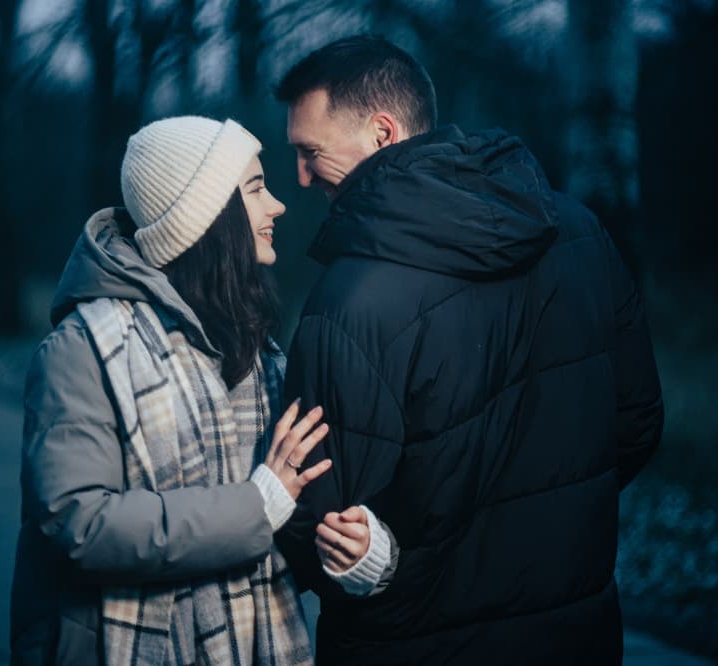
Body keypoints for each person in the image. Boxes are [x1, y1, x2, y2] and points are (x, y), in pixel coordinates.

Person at [271, 36, 665, 665]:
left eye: (309, 152)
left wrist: (403, 560)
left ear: (382, 133)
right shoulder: (581, 233)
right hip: (575, 636)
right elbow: (637, 425)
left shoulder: (349, 300)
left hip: (410, 644)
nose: (300, 176)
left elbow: (315, 517)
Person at [9, 115, 332, 666]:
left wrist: (364, 551)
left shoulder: (253, 349)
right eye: (255, 188)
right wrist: (254, 505)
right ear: (206, 216)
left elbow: (282, 523)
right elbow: (78, 523)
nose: (276, 205)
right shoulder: (84, 347)